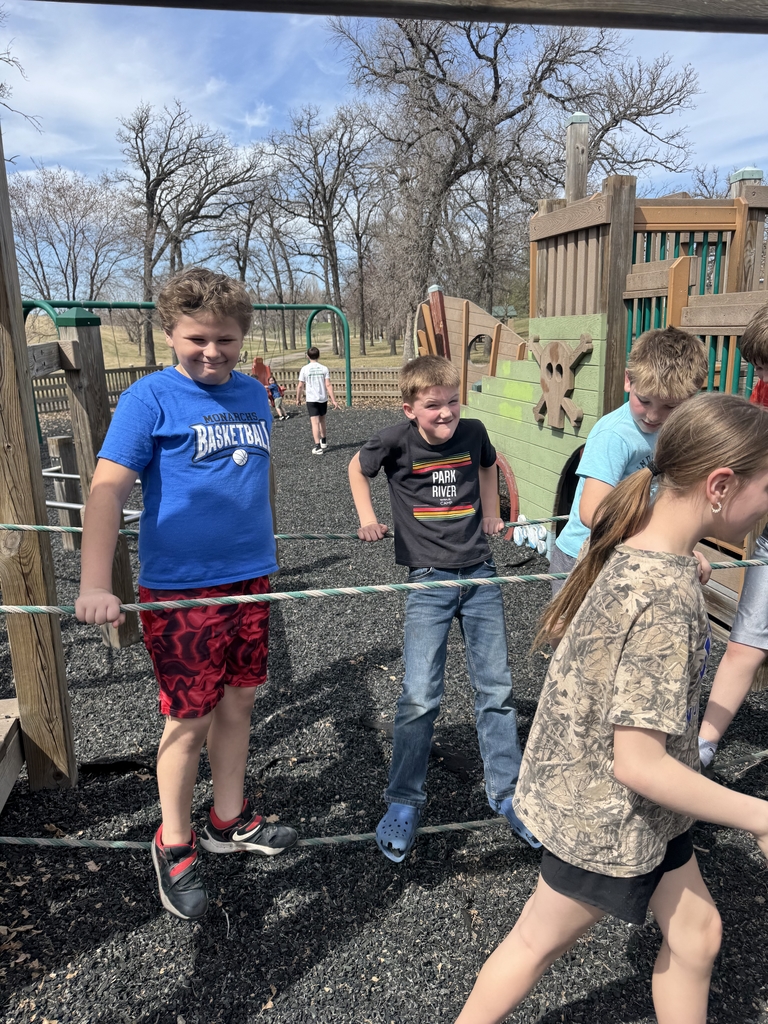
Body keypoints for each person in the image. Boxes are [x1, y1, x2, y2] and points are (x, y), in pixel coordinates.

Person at [454, 392, 768, 1024]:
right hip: (605, 815)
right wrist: (759, 815)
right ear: (720, 486)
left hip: (640, 811)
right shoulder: (667, 597)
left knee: (697, 934)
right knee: (535, 943)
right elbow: (638, 764)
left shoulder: (645, 550)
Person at [75, 268, 297, 922]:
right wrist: (95, 582)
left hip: (250, 579)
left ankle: (228, 819)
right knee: (189, 717)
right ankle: (173, 840)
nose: (212, 351)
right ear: (170, 333)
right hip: (181, 589)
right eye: (197, 338)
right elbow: (107, 490)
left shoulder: (253, 393)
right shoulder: (149, 398)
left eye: (225, 339)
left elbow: (252, 480)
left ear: (242, 337)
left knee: (240, 701)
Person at [348, 355, 539, 863]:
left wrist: (493, 513)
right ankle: (404, 800)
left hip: (480, 575)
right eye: (433, 405)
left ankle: (507, 793)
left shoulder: (473, 433)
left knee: (496, 689)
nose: (446, 412)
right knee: (419, 695)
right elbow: (357, 469)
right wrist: (367, 518)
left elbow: (488, 464)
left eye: (453, 400)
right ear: (410, 409)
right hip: (428, 581)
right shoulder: (395, 440)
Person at [549, 326, 708, 595]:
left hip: (631, 551)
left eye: (670, 406)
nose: (653, 416)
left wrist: (680, 548)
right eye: (644, 400)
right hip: (584, 557)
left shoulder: (677, 433)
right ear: (628, 381)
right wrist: (662, 542)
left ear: (691, 398)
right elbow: (593, 512)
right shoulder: (614, 435)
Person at [699, 302, 768, 769]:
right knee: (745, 642)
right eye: (757, 367)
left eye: (765, 366)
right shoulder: (762, 394)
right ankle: (703, 745)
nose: (759, 377)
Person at [296, 345, 339, 455]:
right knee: (322, 420)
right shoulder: (324, 368)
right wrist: (334, 400)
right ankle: (323, 441)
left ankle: (317, 446)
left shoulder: (305, 369)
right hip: (322, 398)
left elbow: (300, 386)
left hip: (311, 399)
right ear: (319, 356)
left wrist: (298, 398)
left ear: (307, 356)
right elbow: (328, 385)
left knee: (314, 423)